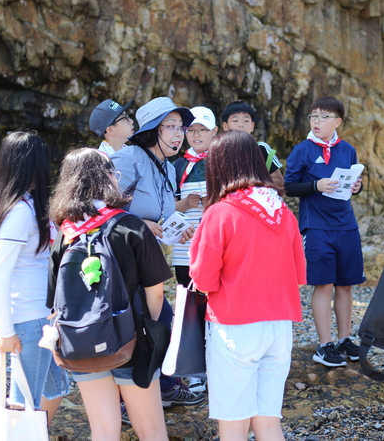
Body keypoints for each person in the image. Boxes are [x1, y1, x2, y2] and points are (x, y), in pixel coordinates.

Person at [47, 148, 171, 441]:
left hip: (82, 341)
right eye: (113, 172)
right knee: (151, 430)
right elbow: (155, 294)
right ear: (106, 178)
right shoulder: (130, 226)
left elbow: (53, 302)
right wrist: (150, 333)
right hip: (132, 341)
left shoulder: (66, 234)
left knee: (103, 430)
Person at [189, 130, 305, 441]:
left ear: (220, 167)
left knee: (233, 426)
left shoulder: (220, 213)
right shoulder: (284, 212)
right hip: (280, 324)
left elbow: (202, 279)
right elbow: (299, 272)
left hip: (235, 326)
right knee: (268, 423)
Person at [110, 96, 203, 407]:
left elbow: (161, 213)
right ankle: (134, 397)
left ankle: (160, 386)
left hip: (147, 260)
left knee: (160, 321)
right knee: (144, 324)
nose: (179, 134)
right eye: (171, 127)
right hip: (121, 263)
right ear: (152, 130)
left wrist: (176, 227)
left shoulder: (165, 167)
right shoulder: (129, 158)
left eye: (182, 127)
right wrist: (140, 224)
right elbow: (97, 209)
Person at [0, 131, 69, 426]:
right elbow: (0, 272)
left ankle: (35, 433)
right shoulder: (19, 211)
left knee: (56, 389)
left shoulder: (20, 206)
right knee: (23, 403)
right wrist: (5, 329)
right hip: (28, 319)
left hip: (40, 318)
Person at [284, 96, 365, 367]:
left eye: (323, 116)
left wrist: (357, 187)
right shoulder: (302, 150)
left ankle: (345, 340)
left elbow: (353, 181)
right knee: (324, 284)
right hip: (316, 226)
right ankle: (324, 344)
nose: (316, 121)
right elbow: (289, 186)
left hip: (346, 225)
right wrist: (316, 186)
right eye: (313, 116)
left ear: (337, 121)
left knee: (346, 284)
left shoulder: (348, 149)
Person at [171, 105, 218, 394]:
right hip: (184, 249)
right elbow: (165, 207)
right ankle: (196, 371)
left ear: (215, 132)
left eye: (202, 129)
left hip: (216, 246)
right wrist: (184, 204)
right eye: (191, 130)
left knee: (216, 305)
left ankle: (219, 364)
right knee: (189, 308)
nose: (196, 134)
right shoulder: (176, 165)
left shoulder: (223, 161)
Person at [221, 101, 285, 189]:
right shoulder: (219, 151)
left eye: (246, 120)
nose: (241, 125)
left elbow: (279, 181)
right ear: (225, 126)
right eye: (235, 121)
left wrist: (254, 184)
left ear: (252, 126)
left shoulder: (261, 149)